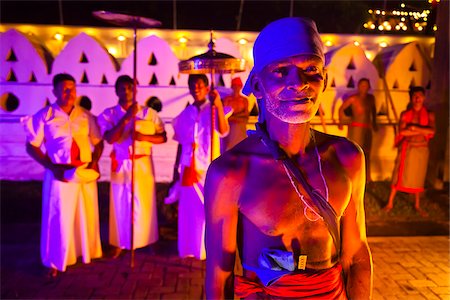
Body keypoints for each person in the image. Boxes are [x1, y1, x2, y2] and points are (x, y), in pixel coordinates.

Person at [204, 17, 373, 299]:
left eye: (311, 70)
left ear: (325, 79)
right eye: (282, 71)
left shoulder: (347, 157)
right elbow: (219, 278)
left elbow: (356, 256)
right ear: (257, 85)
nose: (299, 83)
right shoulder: (231, 172)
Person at [22, 73, 104, 277]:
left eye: (72, 88)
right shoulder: (45, 115)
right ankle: (55, 261)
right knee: (58, 217)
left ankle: (83, 253)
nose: (70, 93)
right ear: (55, 91)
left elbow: (98, 141)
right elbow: (31, 146)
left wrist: (94, 161)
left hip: (84, 171)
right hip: (60, 172)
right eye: (65, 89)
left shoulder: (85, 115)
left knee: (85, 215)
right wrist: (51, 166)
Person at [97, 75, 167, 257]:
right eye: (122, 87)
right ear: (116, 90)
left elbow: (163, 137)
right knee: (120, 202)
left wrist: (145, 137)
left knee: (144, 203)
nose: (126, 91)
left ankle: (149, 239)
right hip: (121, 163)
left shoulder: (148, 114)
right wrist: (127, 118)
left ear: (136, 89)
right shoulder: (109, 114)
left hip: (143, 163)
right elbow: (109, 138)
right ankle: (120, 241)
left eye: (130, 87)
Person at [172, 74, 230, 260]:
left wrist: (218, 104)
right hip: (188, 167)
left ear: (206, 88)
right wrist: (176, 167)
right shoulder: (184, 114)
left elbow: (223, 130)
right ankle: (188, 248)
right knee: (188, 210)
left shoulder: (214, 110)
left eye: (199, 85)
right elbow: (180, 143)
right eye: (192, 85)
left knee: (207, 209)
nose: (196, 88)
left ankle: (205, 250)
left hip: (208, 167)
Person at [383, 86, 435, 217]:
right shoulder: (406, 114)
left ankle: (417, 205)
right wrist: (421, 130)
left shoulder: (429, 114)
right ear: (411, 98)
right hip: (408, 148)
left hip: (422, 149)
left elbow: (432, 132)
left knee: (418, 177)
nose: (417, 99)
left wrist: (413, 128)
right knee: (398, 176)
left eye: (420, 96)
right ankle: (390, 203)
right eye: (415, 96)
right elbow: (403, 132)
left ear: (424, 98)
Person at [338, 78, 378, 182]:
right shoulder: (353, 98)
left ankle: (367, 177)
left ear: (369, 87)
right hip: (356, 129)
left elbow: (373, 112)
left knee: (367, 153)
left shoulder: (371, 98)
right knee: (354, 152)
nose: (364, 87)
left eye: (366, 85)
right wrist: (341, 122)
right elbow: (341, 108)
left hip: (367, 129)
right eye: (362, 85)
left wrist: (374, 123)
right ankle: (351, 176)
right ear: (358, 86)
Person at [222, 77, 249, 151]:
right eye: (234, 86)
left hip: (240, 128)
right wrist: (237, 117)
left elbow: (246, 116)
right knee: (229, 148)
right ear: (232, 87)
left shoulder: (244, 100)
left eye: (238, 86)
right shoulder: (227, 99)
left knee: (241, 148)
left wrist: (233, 117)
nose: (236, 88)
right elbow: (223, 116)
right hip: (230, 128)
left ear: (240, 87)